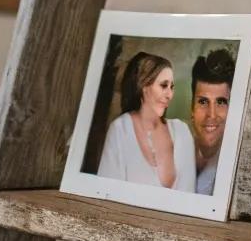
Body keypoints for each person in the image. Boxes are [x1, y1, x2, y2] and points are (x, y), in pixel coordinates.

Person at [97, 52, 196, 190]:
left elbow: (189, 196)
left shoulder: (181, 131)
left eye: (172, 87)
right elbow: (105, 192)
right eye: (163, 85)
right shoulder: (121, 130)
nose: (169, 94)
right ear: (143, 86)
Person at [191, 48, 234, 195]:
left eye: (221, 102)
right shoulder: (176, 148)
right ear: (191, 109)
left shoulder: (232, 170)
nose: (211, 114)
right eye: (203, 101)